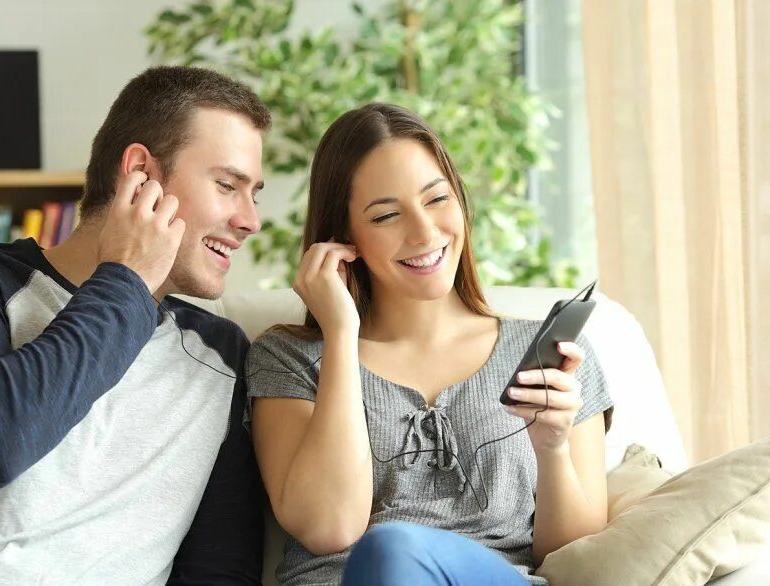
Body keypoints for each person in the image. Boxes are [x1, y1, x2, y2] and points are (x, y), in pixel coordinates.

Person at [0, 66, 269, 584]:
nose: (251, 220)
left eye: (256, 194)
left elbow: (218, 567)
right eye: (228, 185)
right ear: (141, 173)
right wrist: (129, 277)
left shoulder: (222, 359)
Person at [246, 103, 614, 585]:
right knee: (391, 550)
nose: (424, 232)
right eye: (386, 216)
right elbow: (327, 526)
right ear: (343, 237)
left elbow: (574, 559)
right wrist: (340, 334)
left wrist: (553, 448)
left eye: (437, 199)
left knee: (395, 547)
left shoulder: (551, 356)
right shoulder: (289, 360)